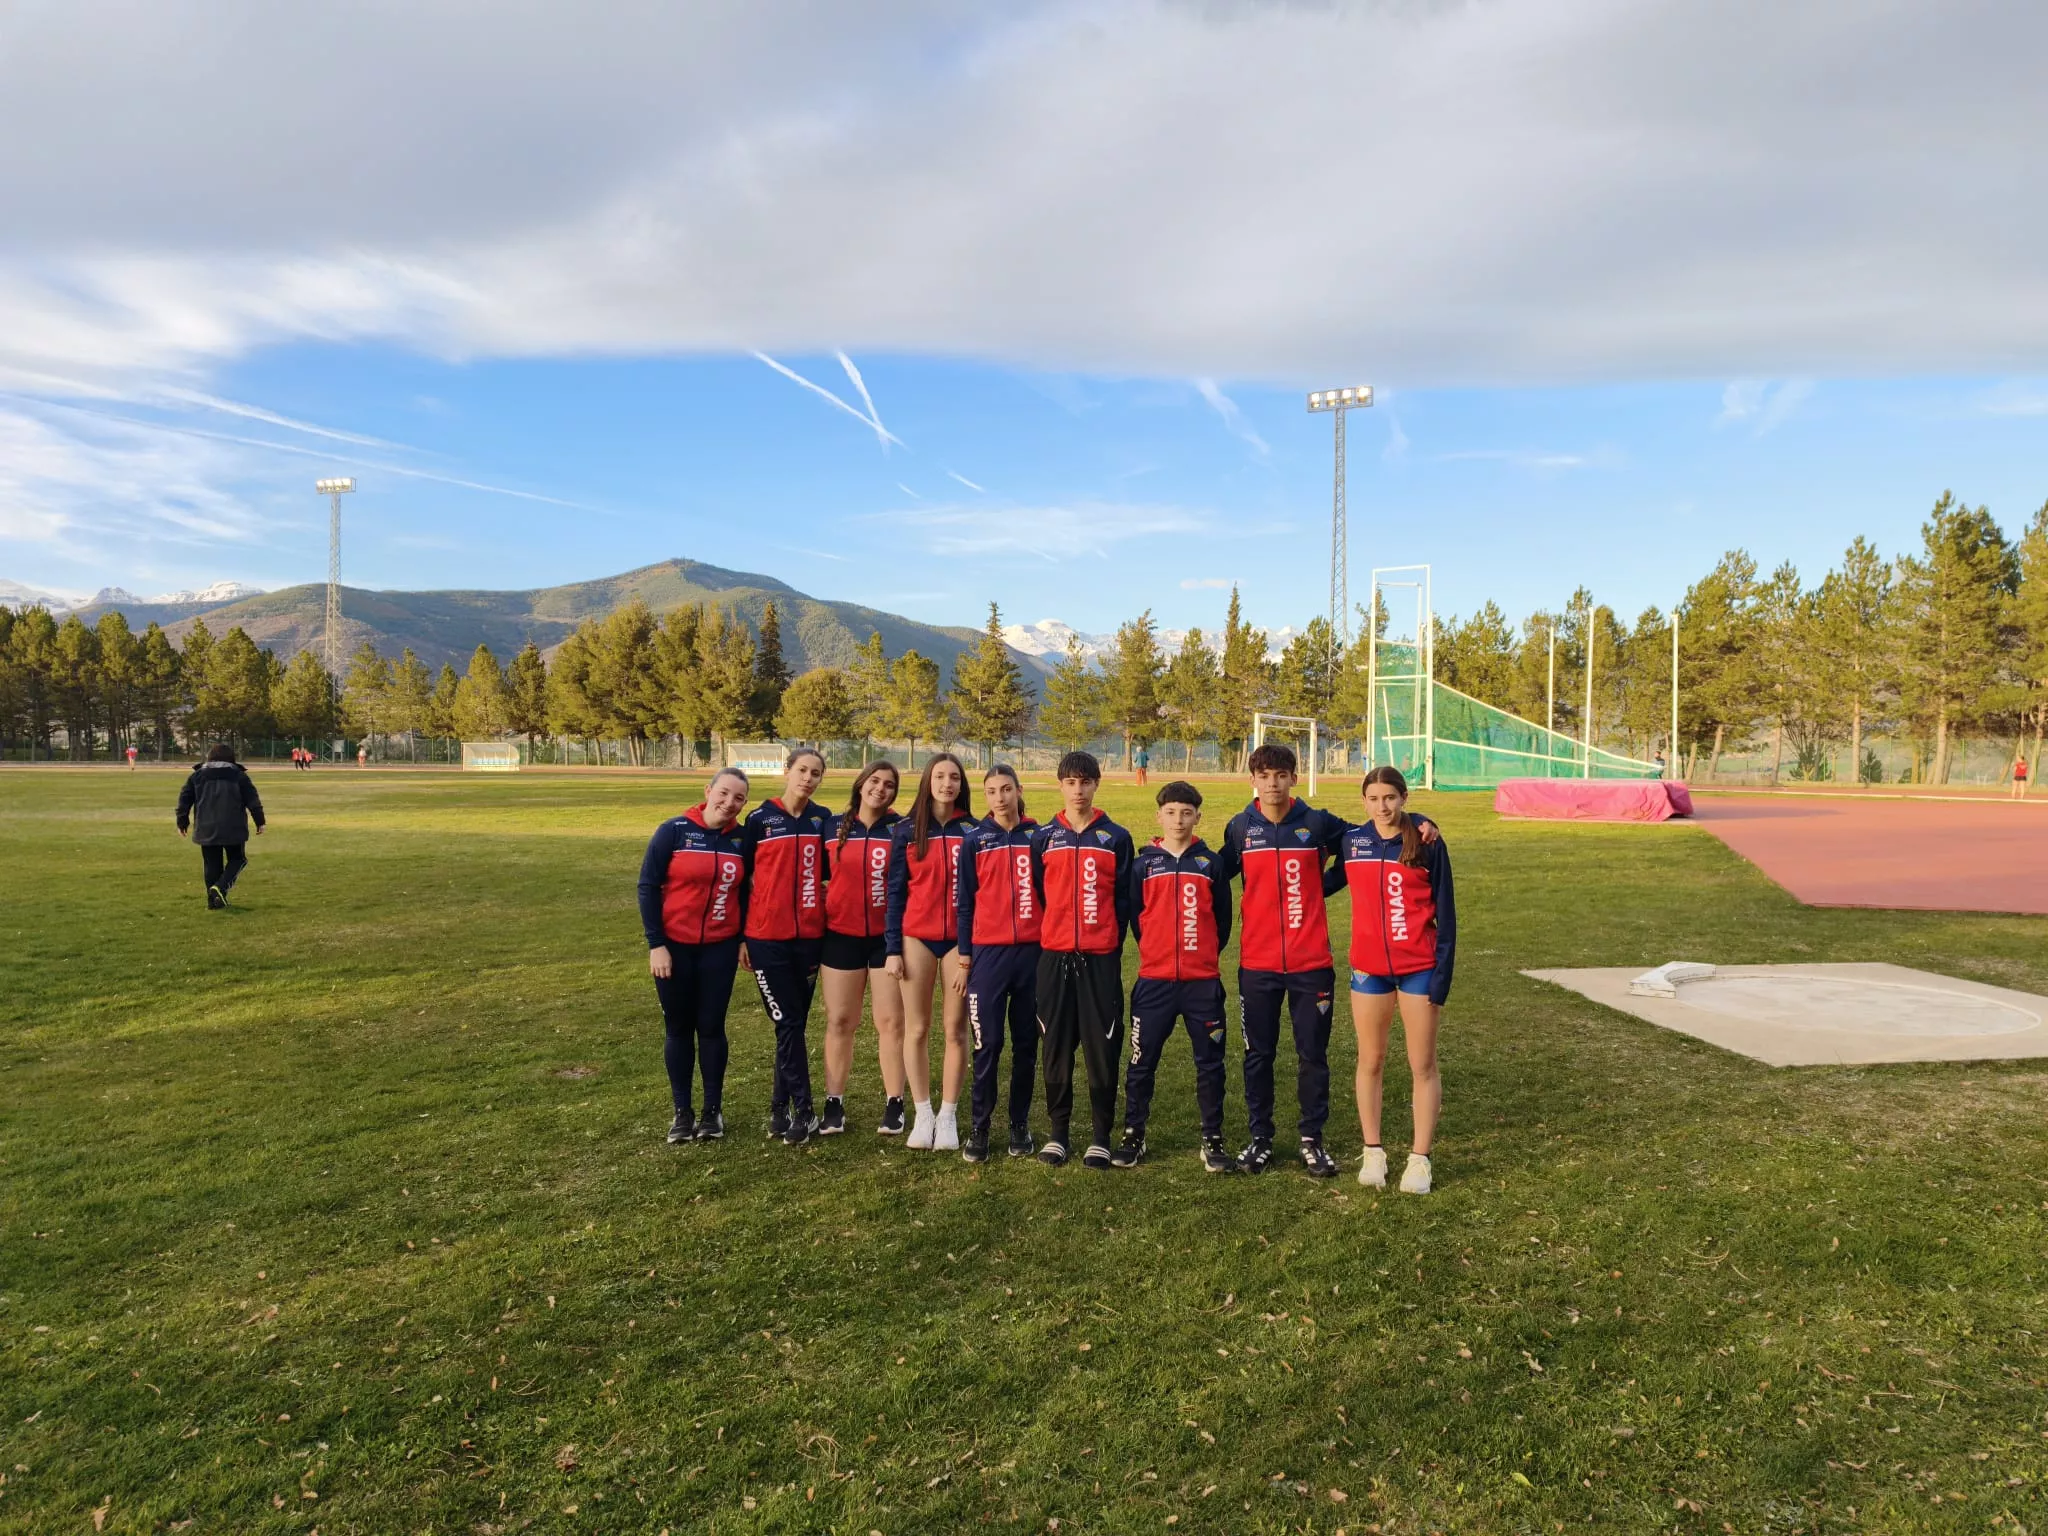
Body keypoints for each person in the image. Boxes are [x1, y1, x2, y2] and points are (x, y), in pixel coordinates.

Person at [1215, 742, 1349, 1177]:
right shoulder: (1240, 828)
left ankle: (1312, 1140)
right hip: (1258, 965)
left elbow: (1366, 839)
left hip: (1311, 964)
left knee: (1313, 1054)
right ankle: (1261, 1139)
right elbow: (1215, 874)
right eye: (1264, 775)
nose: (1273, 783)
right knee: (1258, 1055)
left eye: (1281, 774)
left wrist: (1323, 885)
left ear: (1294, 777)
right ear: (1252, 780)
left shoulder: (1317, 822)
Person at [1342, 767, 1455, 1195]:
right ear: (1364, 802)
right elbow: (1327, 876)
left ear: (1404, 798)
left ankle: (1420, 1159)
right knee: (1370, 1060)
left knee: (1421, 1064)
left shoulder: (1427, 842)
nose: (1382, 806)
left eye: (1390, 797)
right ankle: (1373, 1151)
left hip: (1419, 969)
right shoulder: (1353, 842)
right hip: (1369, 969)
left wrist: (1441, 975)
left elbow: (1447, 912)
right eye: (1374, 798)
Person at [1117, 780, 1234, 1172]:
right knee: (1141, 1062)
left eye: (1186, 813)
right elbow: (1137, 919)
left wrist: (1200, 958)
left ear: (1198, 817)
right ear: (1159, 816)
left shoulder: (1211, 864)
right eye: (1171, 812)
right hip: (1154, 982)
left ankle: (1212, 1138)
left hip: (1202, 984)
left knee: (1210, 1063)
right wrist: (1159, 952)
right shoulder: (1143, 864)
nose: (1178, 819)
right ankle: (1134, 1134)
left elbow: (1222, 921)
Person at [1029, 751, 1134, 1170]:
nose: (1078, 790)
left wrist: (1105, 940)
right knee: (1054, 1045)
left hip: (1099, 960)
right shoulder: (1044, 837)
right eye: (1070, 782)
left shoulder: (1116, 838)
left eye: (1085, 782)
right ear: (1060, 785)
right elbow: (1041, 894)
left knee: (1102, 1045)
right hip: (1054, 958)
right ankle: (1058, 1133)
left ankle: (1101, 1136)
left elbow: (1124, 900)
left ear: (1096, 784)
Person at [637, 768, 751, 1146]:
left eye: (738, 798)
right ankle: (682, 1112)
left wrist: (742, 939)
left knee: (712, 1027)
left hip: (719, 949)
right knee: (679, 1029)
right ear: (708, 791)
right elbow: (648, 887)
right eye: (723, 793)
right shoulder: (673, 830)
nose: (729, 802)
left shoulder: (741, 839)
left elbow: (749, 893)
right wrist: (657, 944)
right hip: (674, 949)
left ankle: (711, 1112)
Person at [739, 748, 833, 1145]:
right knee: (787, 1024)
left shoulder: (822, 819)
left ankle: (779, 1107)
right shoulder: (759, 820)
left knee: (792, 1024)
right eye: (802, 770)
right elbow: (741, 880)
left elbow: (833, 871)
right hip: (766, 940)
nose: (807, 778)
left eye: (815, 773)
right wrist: (744, 935)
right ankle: (805, 1110)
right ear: (787, 770)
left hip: (810, 939)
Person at [884, 753, 976, 1150]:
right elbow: (895, 892)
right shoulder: (906, 830)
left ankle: (948, 1114)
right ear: (928, 781)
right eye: (940, 776)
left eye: (954, 777)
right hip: (916, 937)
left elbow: (978, 893)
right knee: (916, 1028)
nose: (947, 783)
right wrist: (892, 948)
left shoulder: (973, 830)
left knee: (955, 1030)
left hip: (959, 939)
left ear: (961, 784)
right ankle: (922, 1112)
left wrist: (970, 950)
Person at [952, 763, 1041, 1163]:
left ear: (1018, 791)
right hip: (988, 956)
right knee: (987, 1044)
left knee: (1026, 1044)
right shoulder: (974, 841)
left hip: (1032, 955)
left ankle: (1019, 1124)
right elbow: (965, 902)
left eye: (1006, 789)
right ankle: (980, 1127)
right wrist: (966, 954)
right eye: (991, 791)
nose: (1000, 797)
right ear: (985, 796)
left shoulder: (1038, 837)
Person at [819, 761, 908, 1135]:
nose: (880, 789)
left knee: (889, 1023)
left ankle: (895, 1103)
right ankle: (834, 1102)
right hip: (840, 936)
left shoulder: (900, 829)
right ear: (861, 784)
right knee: (841, 1021)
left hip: (886, 941)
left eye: (889, 784)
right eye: (875, 781)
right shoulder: (830, 827)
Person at [175, 744, 266, 909]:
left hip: (206, 826)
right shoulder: (239, 777)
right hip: (233, 825)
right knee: (238, 859)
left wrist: (182, 821)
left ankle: (213, 902)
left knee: (212, 864)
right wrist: (259, 820)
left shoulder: (196, 776)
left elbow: (184, 800)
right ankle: (221, 888)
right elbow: (252, 800)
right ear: (232, 759)